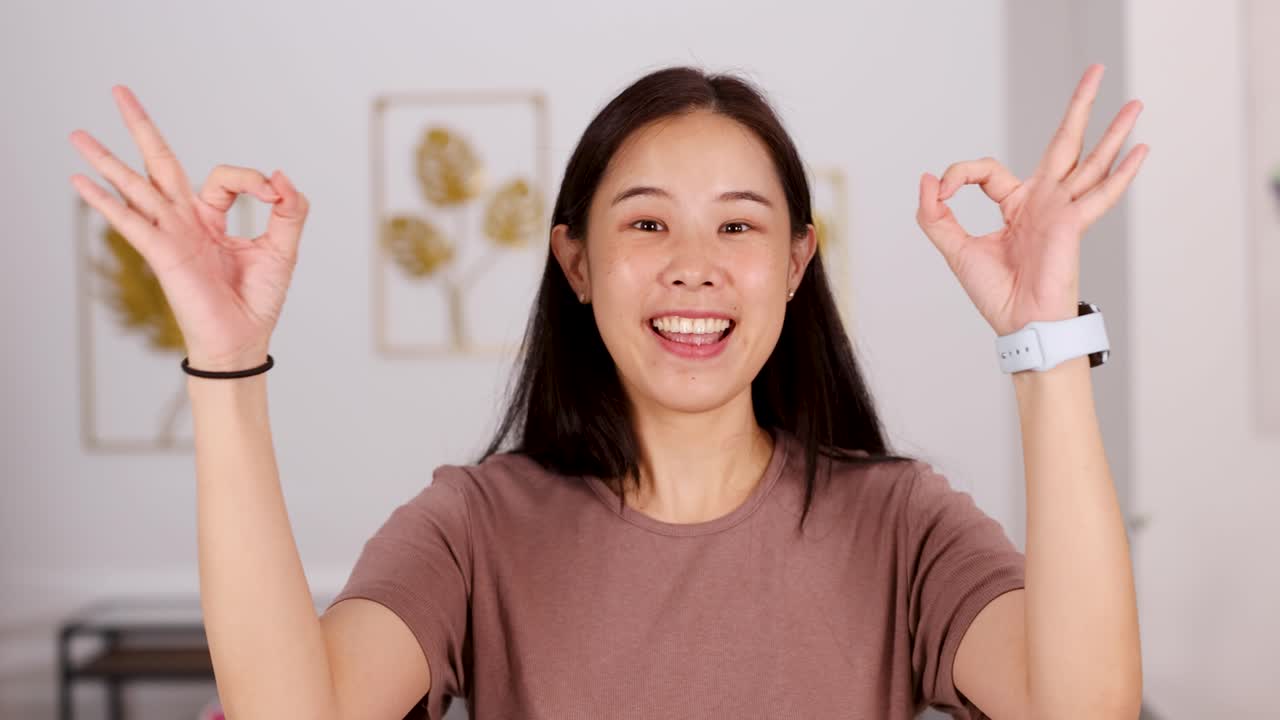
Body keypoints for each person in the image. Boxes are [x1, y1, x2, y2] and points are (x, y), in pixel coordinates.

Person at [68, 63, 1146, 719]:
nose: (693, 264)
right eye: (644, 223)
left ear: (796, 264)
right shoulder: (473, 526)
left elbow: (1082, 708)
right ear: (575, 266)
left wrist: (1043, 336)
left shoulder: (901, 523)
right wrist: (222, 357)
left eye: (737, 224)